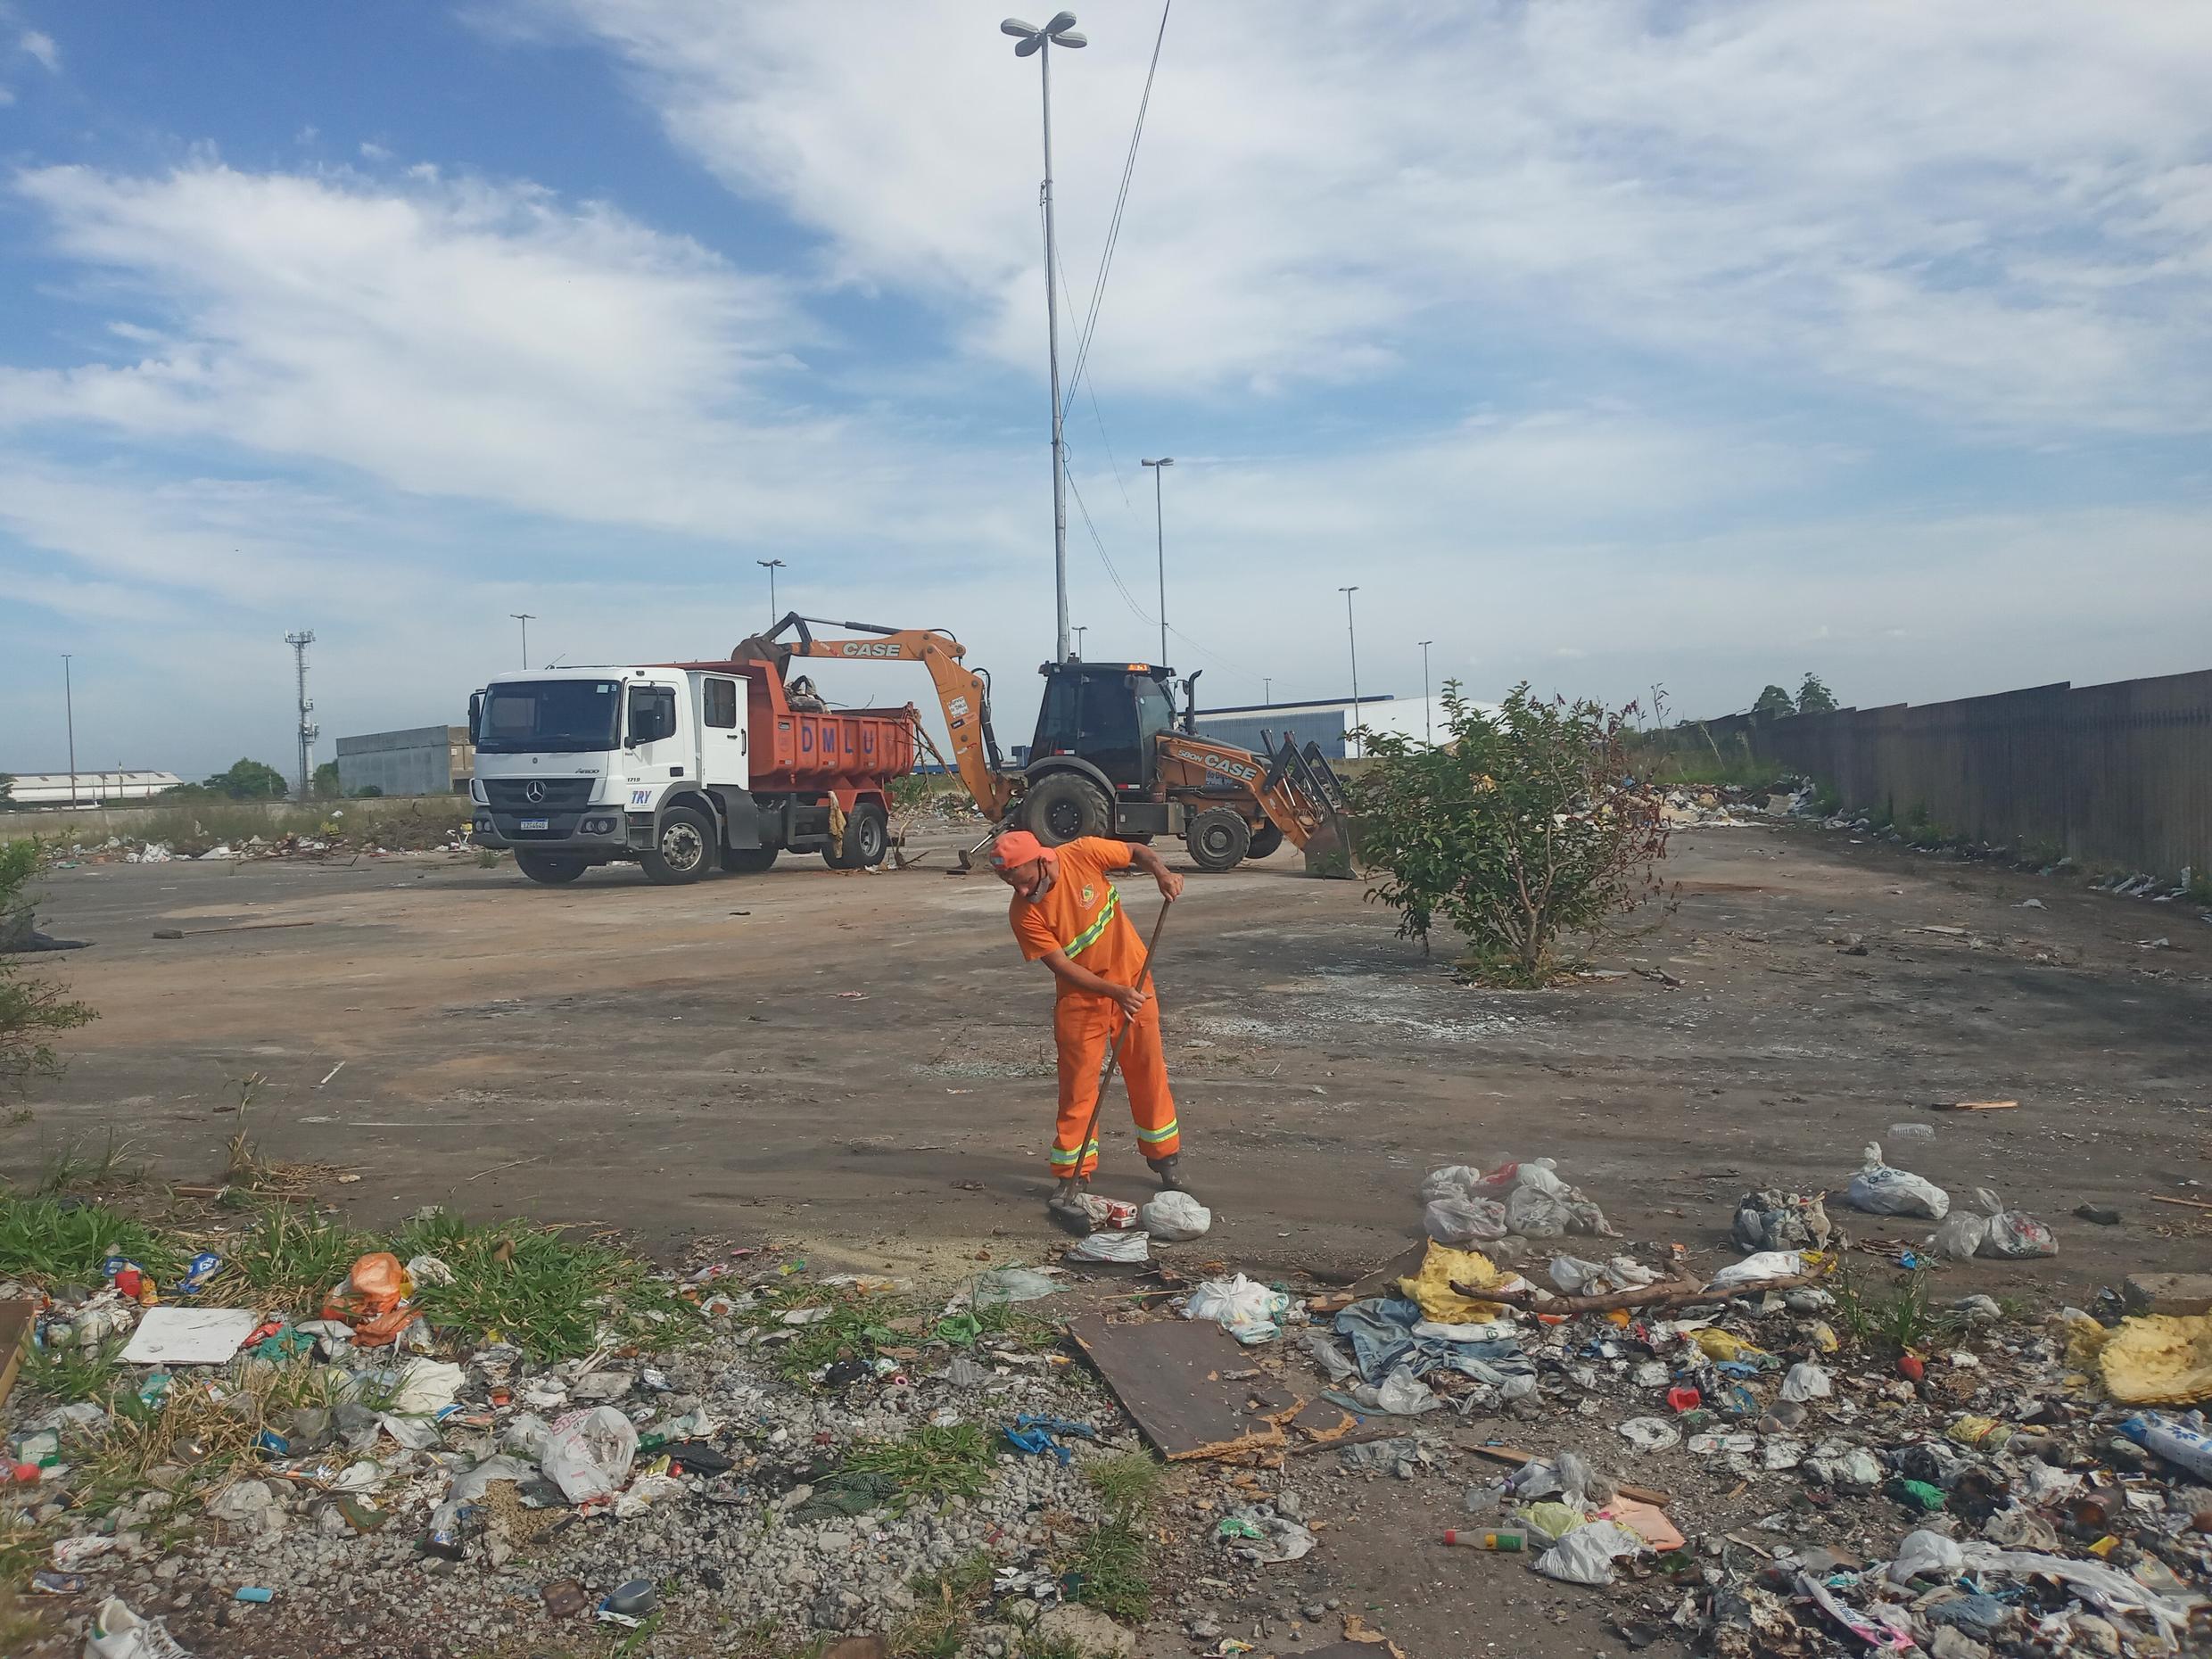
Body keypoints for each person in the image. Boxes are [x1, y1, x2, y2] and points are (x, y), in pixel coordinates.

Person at [989, 829, 1188, 1219]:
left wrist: (1161, 873)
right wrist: (1113, 993)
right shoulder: (1023, 913)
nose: (1022, 890)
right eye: (1010, 883)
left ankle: (1164, 1159)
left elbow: (1134, 851)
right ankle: (1072, 1175)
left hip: (1135, 984)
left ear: (1043, 860)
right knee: (1078, 1089)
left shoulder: (1083, 854)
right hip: (1082, 1003)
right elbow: (1061, 965)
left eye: (1025, 880)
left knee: (1148, 1073)